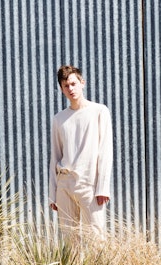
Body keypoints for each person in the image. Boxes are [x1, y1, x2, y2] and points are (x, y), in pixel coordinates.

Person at [49, 65, 113, 241]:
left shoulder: (99, 111)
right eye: (65, 86)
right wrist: (53, 194)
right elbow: (55, 156)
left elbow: (105, 152)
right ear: (61, 89)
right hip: (64, 185)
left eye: (73, 83)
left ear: (82, 83)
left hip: (89, 186)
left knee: (96, 240)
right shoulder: (59, 119)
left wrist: (102, 188)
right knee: (70, 243)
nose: (70, 89)